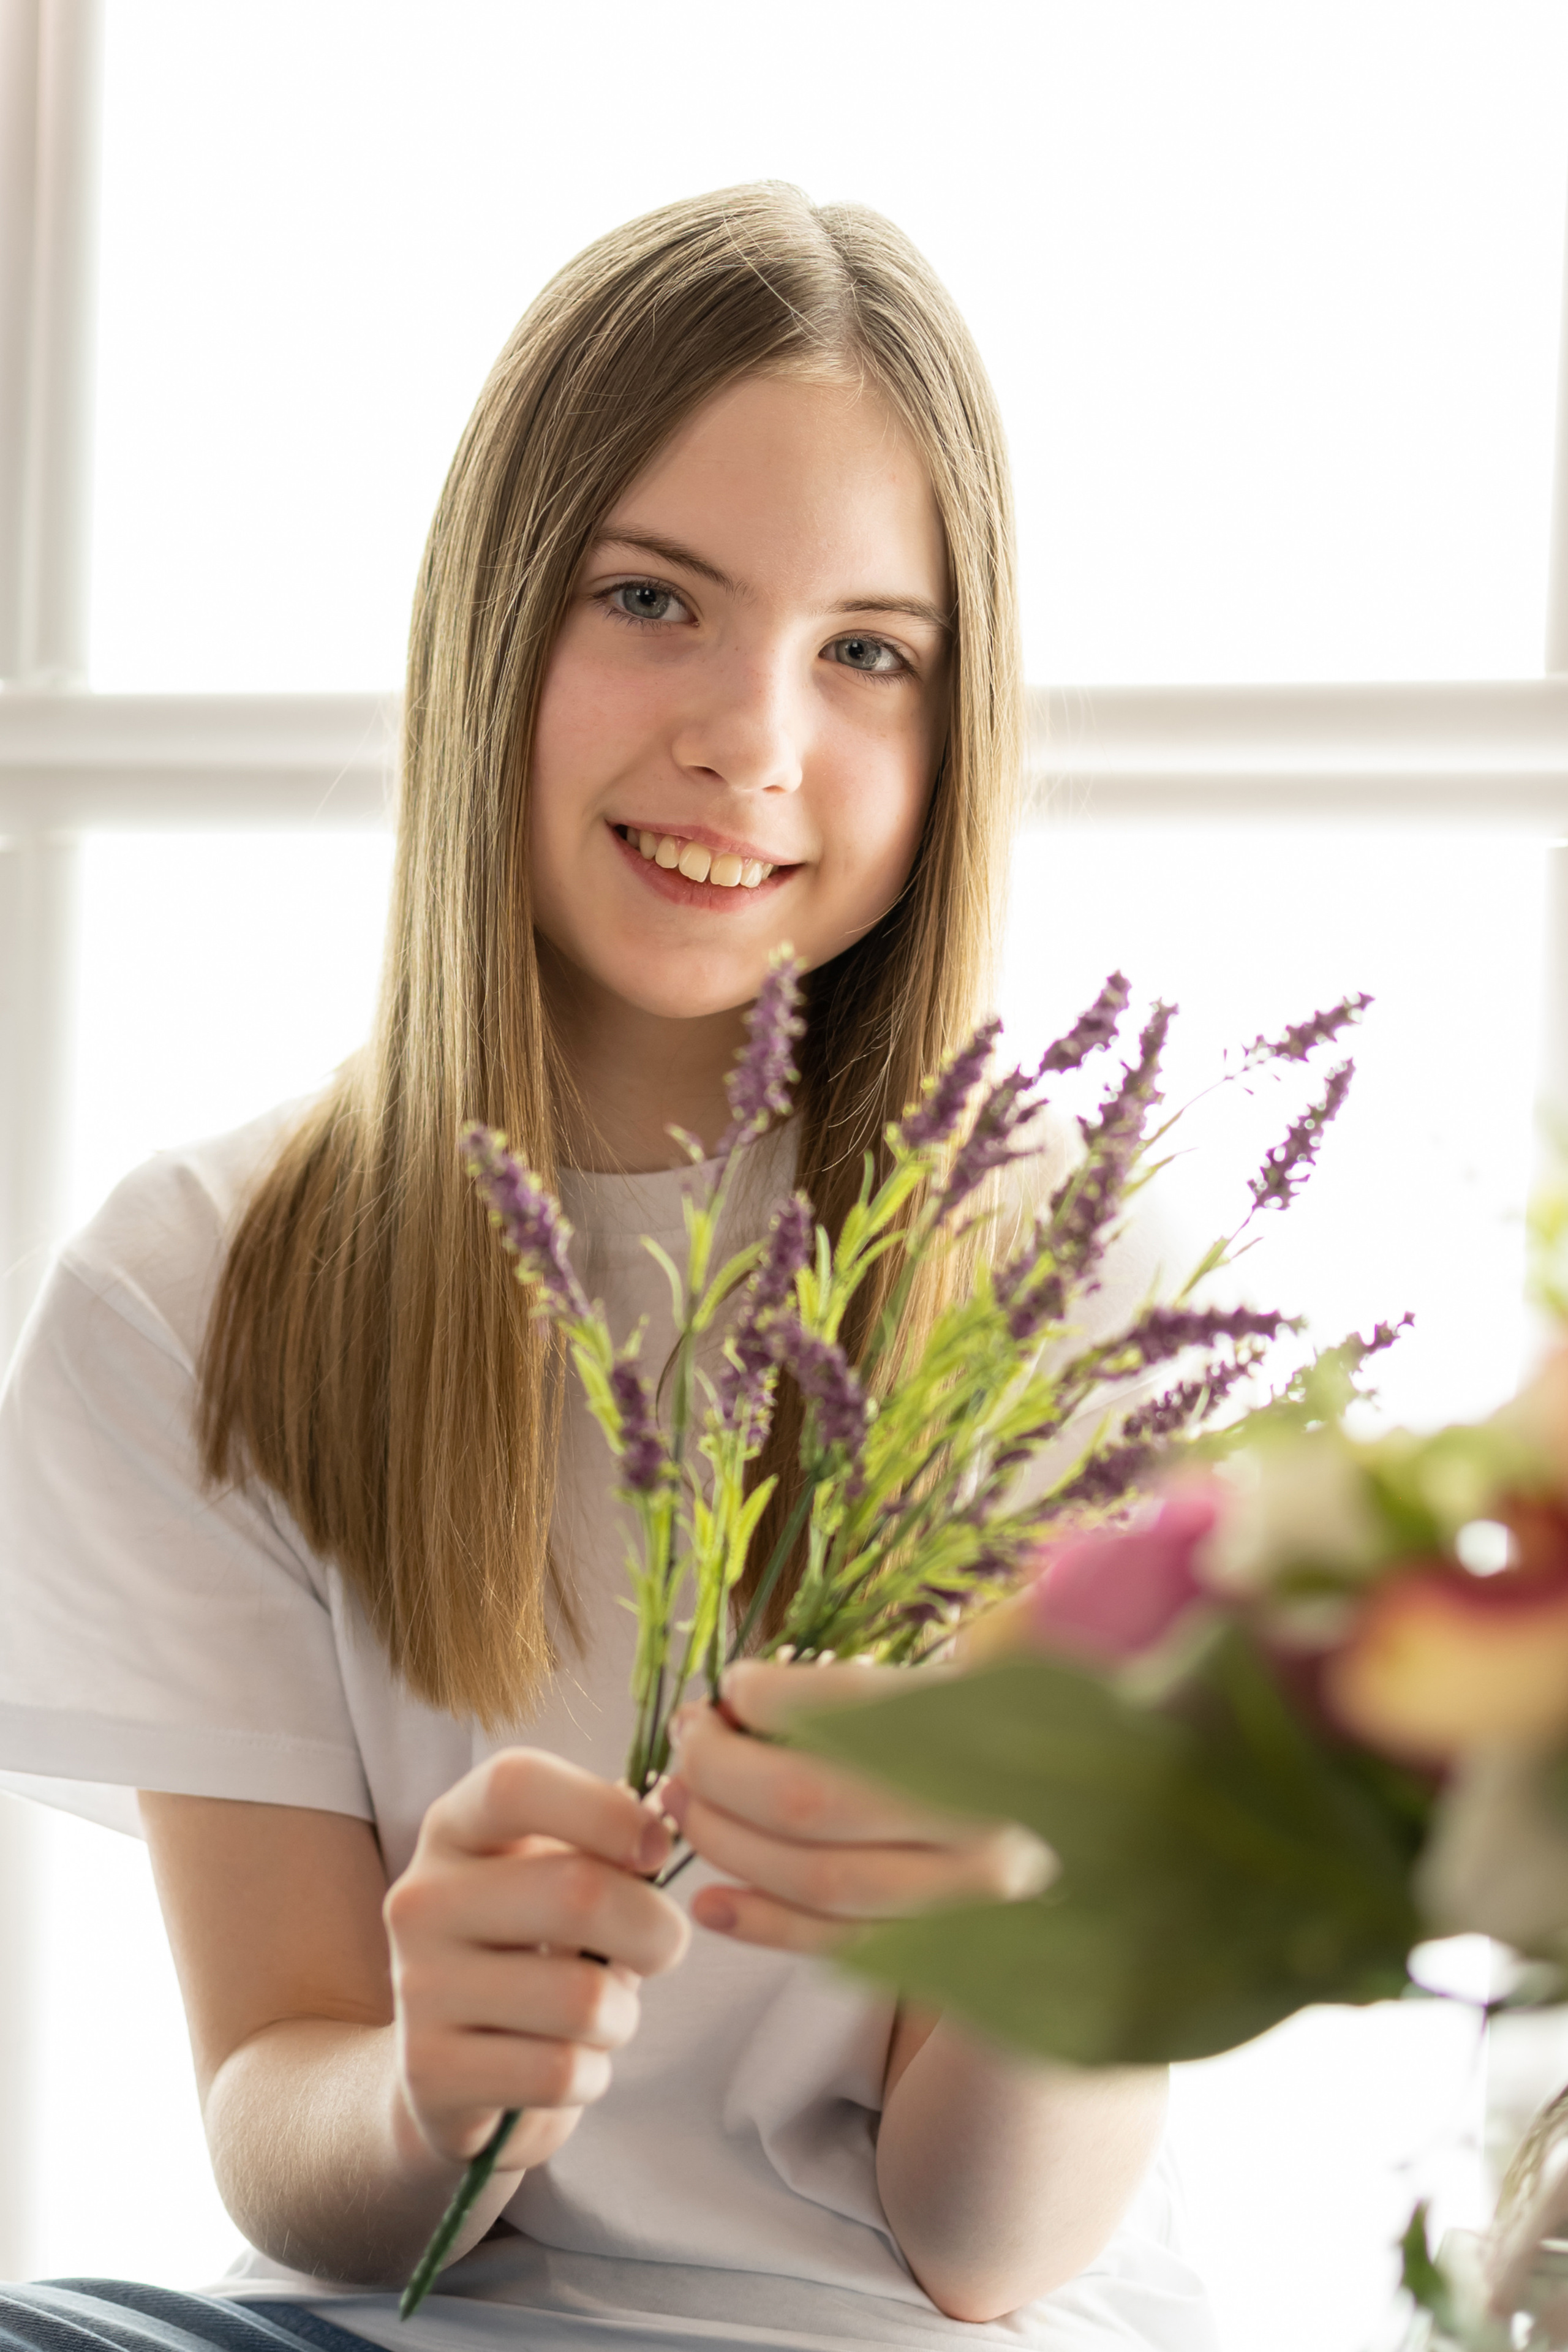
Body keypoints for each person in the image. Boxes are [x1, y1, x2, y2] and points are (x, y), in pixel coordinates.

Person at [0, 184, 1216, 2352]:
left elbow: (990, 2249)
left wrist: (1050, 1921)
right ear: (493, 626)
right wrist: (423, 2080)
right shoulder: (195, 1289)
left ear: (957, 733)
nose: (751, 737)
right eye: (653, 599)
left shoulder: (1074, 1285)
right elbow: (292, 2137)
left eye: (869, 652)